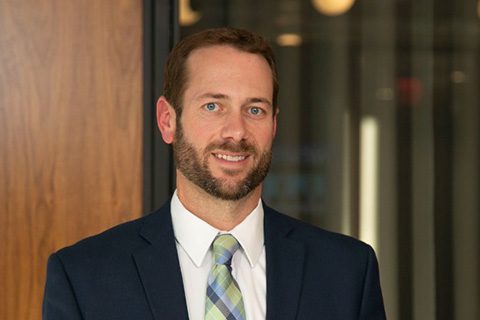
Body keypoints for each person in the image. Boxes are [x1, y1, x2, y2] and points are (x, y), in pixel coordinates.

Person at [43, 27, 386, 320]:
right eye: (212, 106)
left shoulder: (347, 272)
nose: (235, 131)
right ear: (168, 120)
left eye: (254, 109)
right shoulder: (83, 278)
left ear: (274, 124)